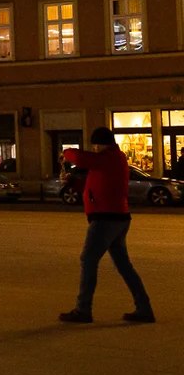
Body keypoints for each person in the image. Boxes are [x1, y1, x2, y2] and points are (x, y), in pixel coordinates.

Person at [58, 126, 154, 323]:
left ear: (103, 144)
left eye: (96, 144)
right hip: (117, 217)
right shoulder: (109, 160)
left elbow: (83, 159)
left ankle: (83, 309)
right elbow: (95, 186)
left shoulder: (109, 158)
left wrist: (66, 152)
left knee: (88, 259)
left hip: (106, 218)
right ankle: (144, 308)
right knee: (123, 265)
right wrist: (73, 182)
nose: (94, 148)